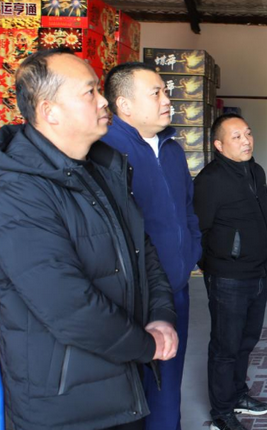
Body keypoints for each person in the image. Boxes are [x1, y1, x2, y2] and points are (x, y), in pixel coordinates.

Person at [0, 49, 178, 430]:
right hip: (65, 406)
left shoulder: (101, 170)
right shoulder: (16, 195)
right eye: (90, 92)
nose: (104, 100)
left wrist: (161, 317)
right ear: (50, 111)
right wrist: (145, 345)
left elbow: (143, 253)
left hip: (121, 386)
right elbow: (68, 306)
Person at [102, 62, 202, 430]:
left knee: (168, 384)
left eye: (166, 91)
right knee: (128, 389)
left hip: (174, 287)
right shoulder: (105, 151)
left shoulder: (171, 149)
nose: (167, 100)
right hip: (128, 295)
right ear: (124, 105)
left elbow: (187, 208)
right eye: (156, 93)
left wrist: (191, 252)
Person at [193, 113, 267, 430]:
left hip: (258, 271)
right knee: (225, 346)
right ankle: (222, 412)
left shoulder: (256, 171)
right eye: (237, 137)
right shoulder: (210, 180)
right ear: (219, 145)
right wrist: (218, 264)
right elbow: (198, 229)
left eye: (248, 134)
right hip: (228, 276)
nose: (246, 141)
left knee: (246, 340)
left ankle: (238, 394)